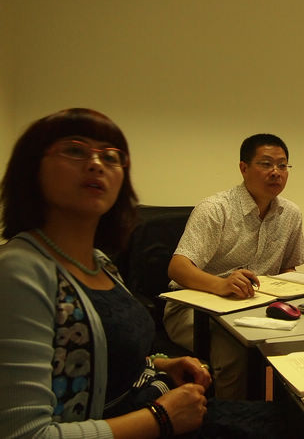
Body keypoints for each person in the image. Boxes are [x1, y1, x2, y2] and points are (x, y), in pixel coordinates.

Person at [0, 109, 286, 437]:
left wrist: (161, 363)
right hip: (148, 420)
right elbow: (25, 433)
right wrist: (160, 417)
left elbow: (104, 352)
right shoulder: (19, 270)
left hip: (159, 398)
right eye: (75, 150)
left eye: (111, 157)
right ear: (31, 168)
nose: (96, 164)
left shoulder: (98, 262)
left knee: (298, 419)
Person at [164, 133, 304, 399]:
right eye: (266, 164)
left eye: (282, 165)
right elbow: (178, 268)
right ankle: (231, 417)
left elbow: (289, 269)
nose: (276, 172)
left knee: (303, 336)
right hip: (195, 309)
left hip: (254, 305)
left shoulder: (291, 214)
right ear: (244, 168)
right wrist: (221, 285)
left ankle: (283, 415)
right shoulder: (215, 209)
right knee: (237, 347)